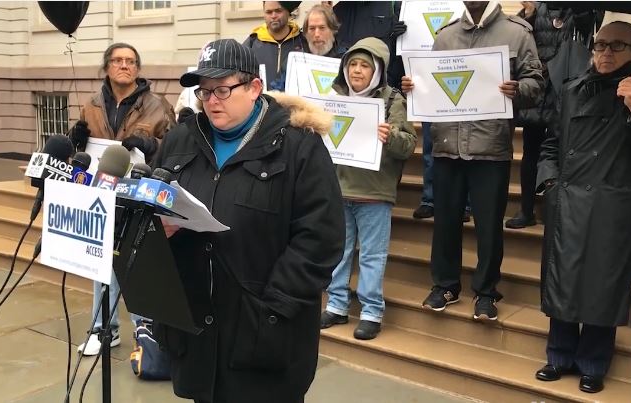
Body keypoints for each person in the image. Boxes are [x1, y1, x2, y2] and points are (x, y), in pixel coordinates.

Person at [151, 39, 345, 403]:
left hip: (266, 337)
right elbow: (153, 208)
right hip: (197, 336)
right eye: (204, 91)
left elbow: (321, 238)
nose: (211, 100)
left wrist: (272, 310)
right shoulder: (180, 141)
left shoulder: (298, 146)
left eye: (222, 89)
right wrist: (156, 230)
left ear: (254, 87)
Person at [415, 1, 542, 320]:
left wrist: (518, 89)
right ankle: (445, 285)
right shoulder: (445, 36)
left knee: (488, 226)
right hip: (447, 144)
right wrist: (414, 88)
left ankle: (486, 292)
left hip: (491, 146)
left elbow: (537, 84)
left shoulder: (517, 33)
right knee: (445, 222)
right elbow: (432, 86)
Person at [534, 21, 631, 394]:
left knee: (601, 283)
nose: (606, 52)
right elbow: (551, 144)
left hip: (613, 204)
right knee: (563, 278)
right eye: (600, 44)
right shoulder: (572, 90)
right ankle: (559, 355)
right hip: (567, 200)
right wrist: (549, 184)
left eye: (617, 46)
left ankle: (593, 361)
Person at [69, 42, 176, 356]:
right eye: (117, 60)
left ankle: (146, 331)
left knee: (138, 261)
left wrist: (151, 144)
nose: (124, 66)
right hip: (102, 192)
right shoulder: (91, 104)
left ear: (138, 69)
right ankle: (104, 330)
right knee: (101, 259)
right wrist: (77, 139)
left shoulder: (157, 105)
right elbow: (82, 151)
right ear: (107, 67)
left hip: (139, 193)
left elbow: (175, 145)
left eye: (130, 61)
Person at [320, 37, 417, 341]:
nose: (357, 71)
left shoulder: (392, 100)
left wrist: (391, 136)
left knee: (372, 256)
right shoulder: (333, 99)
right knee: (339, 252)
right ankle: (336, 305)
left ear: (378, 70)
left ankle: (371, 312)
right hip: (338, 190)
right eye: (352, 64)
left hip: (374, 193)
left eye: (364, 65)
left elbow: (408, 145)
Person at [506, 1, 582, 229]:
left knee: (564, 151)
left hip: (568, 85)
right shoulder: (536, 8)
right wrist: (528, 15)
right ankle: (526, 209)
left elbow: (588, 31)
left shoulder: (580, 9)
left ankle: (558, 211)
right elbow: (520, 36)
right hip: (539, 88)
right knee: (531, 151)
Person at [331, 1, 406, 89]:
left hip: (383, 84)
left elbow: (403, 55)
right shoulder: (339, 10)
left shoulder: (394, 5)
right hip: (346, 83)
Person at [243, 1, 307, 91]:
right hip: (261, 99)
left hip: (294, 100)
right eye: (269, 12)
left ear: (288, 12)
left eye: (278, 11)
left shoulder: (303, 42)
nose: (273, 16)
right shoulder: (251, 44)